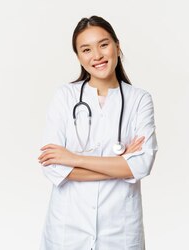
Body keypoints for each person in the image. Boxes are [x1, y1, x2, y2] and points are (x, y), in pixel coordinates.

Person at [37, 15, 158, 250]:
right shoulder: (65, 97)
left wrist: (74, 159)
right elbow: (53, 167)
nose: (97, 56)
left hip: (119, 231)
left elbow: (141, 165)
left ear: (117, 46)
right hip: (67, 229)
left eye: (103, 45)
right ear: (79, 57)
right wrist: (121, 165)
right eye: (86, 49)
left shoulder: (139, 100)